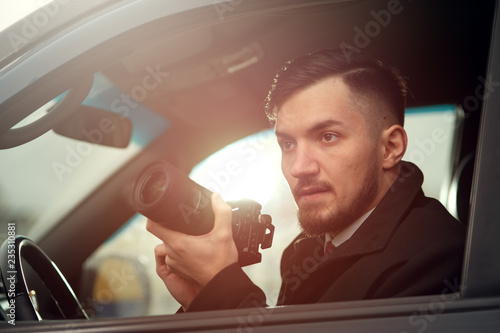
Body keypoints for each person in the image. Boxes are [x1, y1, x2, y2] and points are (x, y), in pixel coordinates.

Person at [146, 49, 466, 312]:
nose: (299, 167)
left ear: (390, 147)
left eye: (328, 137)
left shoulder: (440, 260)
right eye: (288, 144)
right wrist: (202, 298)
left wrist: (222, 285)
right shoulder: (307, 250)